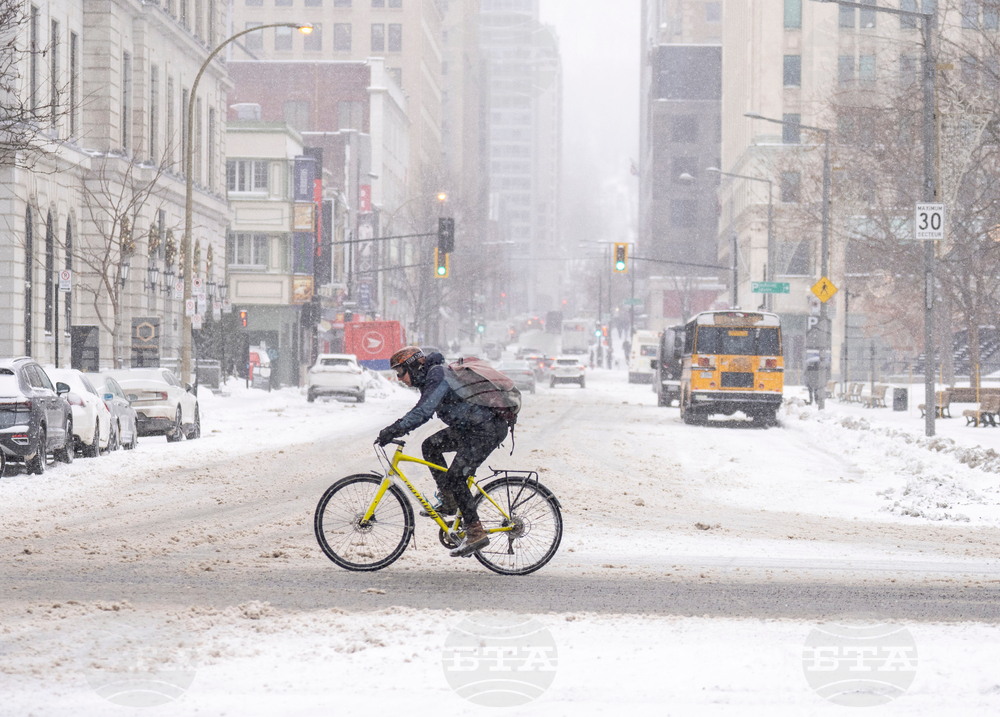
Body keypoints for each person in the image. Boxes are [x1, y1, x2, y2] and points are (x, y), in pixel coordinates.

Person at [376, 347, 509, 557]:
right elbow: (423, 408)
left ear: (413, 366)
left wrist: (394, 429)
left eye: (401, 372)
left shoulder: (437, 374)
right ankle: (450, 501)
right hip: (473, 427)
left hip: (486, 429)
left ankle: (475, 531)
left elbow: (423, 411)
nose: (399, 378)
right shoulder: (430, 377)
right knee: (430, 446)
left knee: (457, 476)